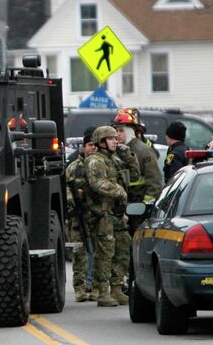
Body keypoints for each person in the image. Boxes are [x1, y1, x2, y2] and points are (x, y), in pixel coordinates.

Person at [85, 126, 132, 307]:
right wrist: (118, 191)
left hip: (117, 213)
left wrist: (128, 155)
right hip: (102, 213)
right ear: (102, 142)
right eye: (111, 139)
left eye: (115, 138)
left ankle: (118, 288)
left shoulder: (115, 160)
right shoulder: (95, 161)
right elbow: (97, 183)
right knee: (105, 252)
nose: (116, 141)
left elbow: (133, 174)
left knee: (123, 247)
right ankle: (103, 292)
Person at [66, 127, 97, 302]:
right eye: (90, 145)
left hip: (96, 215)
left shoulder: (101, 165)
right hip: (78, 217)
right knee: (80, 253)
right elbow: (66, 190)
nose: (93, 148)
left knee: (98, 252)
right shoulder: (73, 167)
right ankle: (80, 287)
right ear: (84, 146)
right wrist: (74, 201)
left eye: (95, 145)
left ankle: (94, 286)